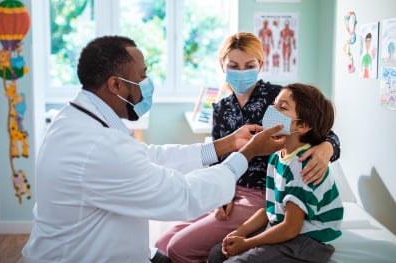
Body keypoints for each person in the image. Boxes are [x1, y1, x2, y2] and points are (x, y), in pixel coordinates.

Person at [21, 35, 286, 263]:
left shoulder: (77, 120)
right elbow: (184, 196)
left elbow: (150, 156)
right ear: (116, 85)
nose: (148, 83)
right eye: (143, 76)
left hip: (102, 249)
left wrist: (227, 145)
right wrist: (246, 153)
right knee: (171, 245)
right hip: (83, 256)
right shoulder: (97, 146)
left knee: (172, 249)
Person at [154, 32, 340, 263]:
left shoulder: (278, 97)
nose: (241, 72)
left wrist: (326, 149)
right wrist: (221, 191)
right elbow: (218, 158)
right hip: (229, 189)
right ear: (222, 66)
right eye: (233, 65)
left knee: (179, 248)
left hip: (264, 194)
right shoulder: (222, 107)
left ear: (260, 65)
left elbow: (322, 131)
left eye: (249, 65)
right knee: (162, 245)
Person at [208, 83, 344, 263]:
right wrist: (240, 232)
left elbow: (290, 228)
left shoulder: (302, 165)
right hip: (284, 226)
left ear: (302, 125)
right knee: (217, 253)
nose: (272, 110)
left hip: (307, 241)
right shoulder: (276, 157)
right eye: (274, 104)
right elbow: (270, 209)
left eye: (283, 107)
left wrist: (247, 243)